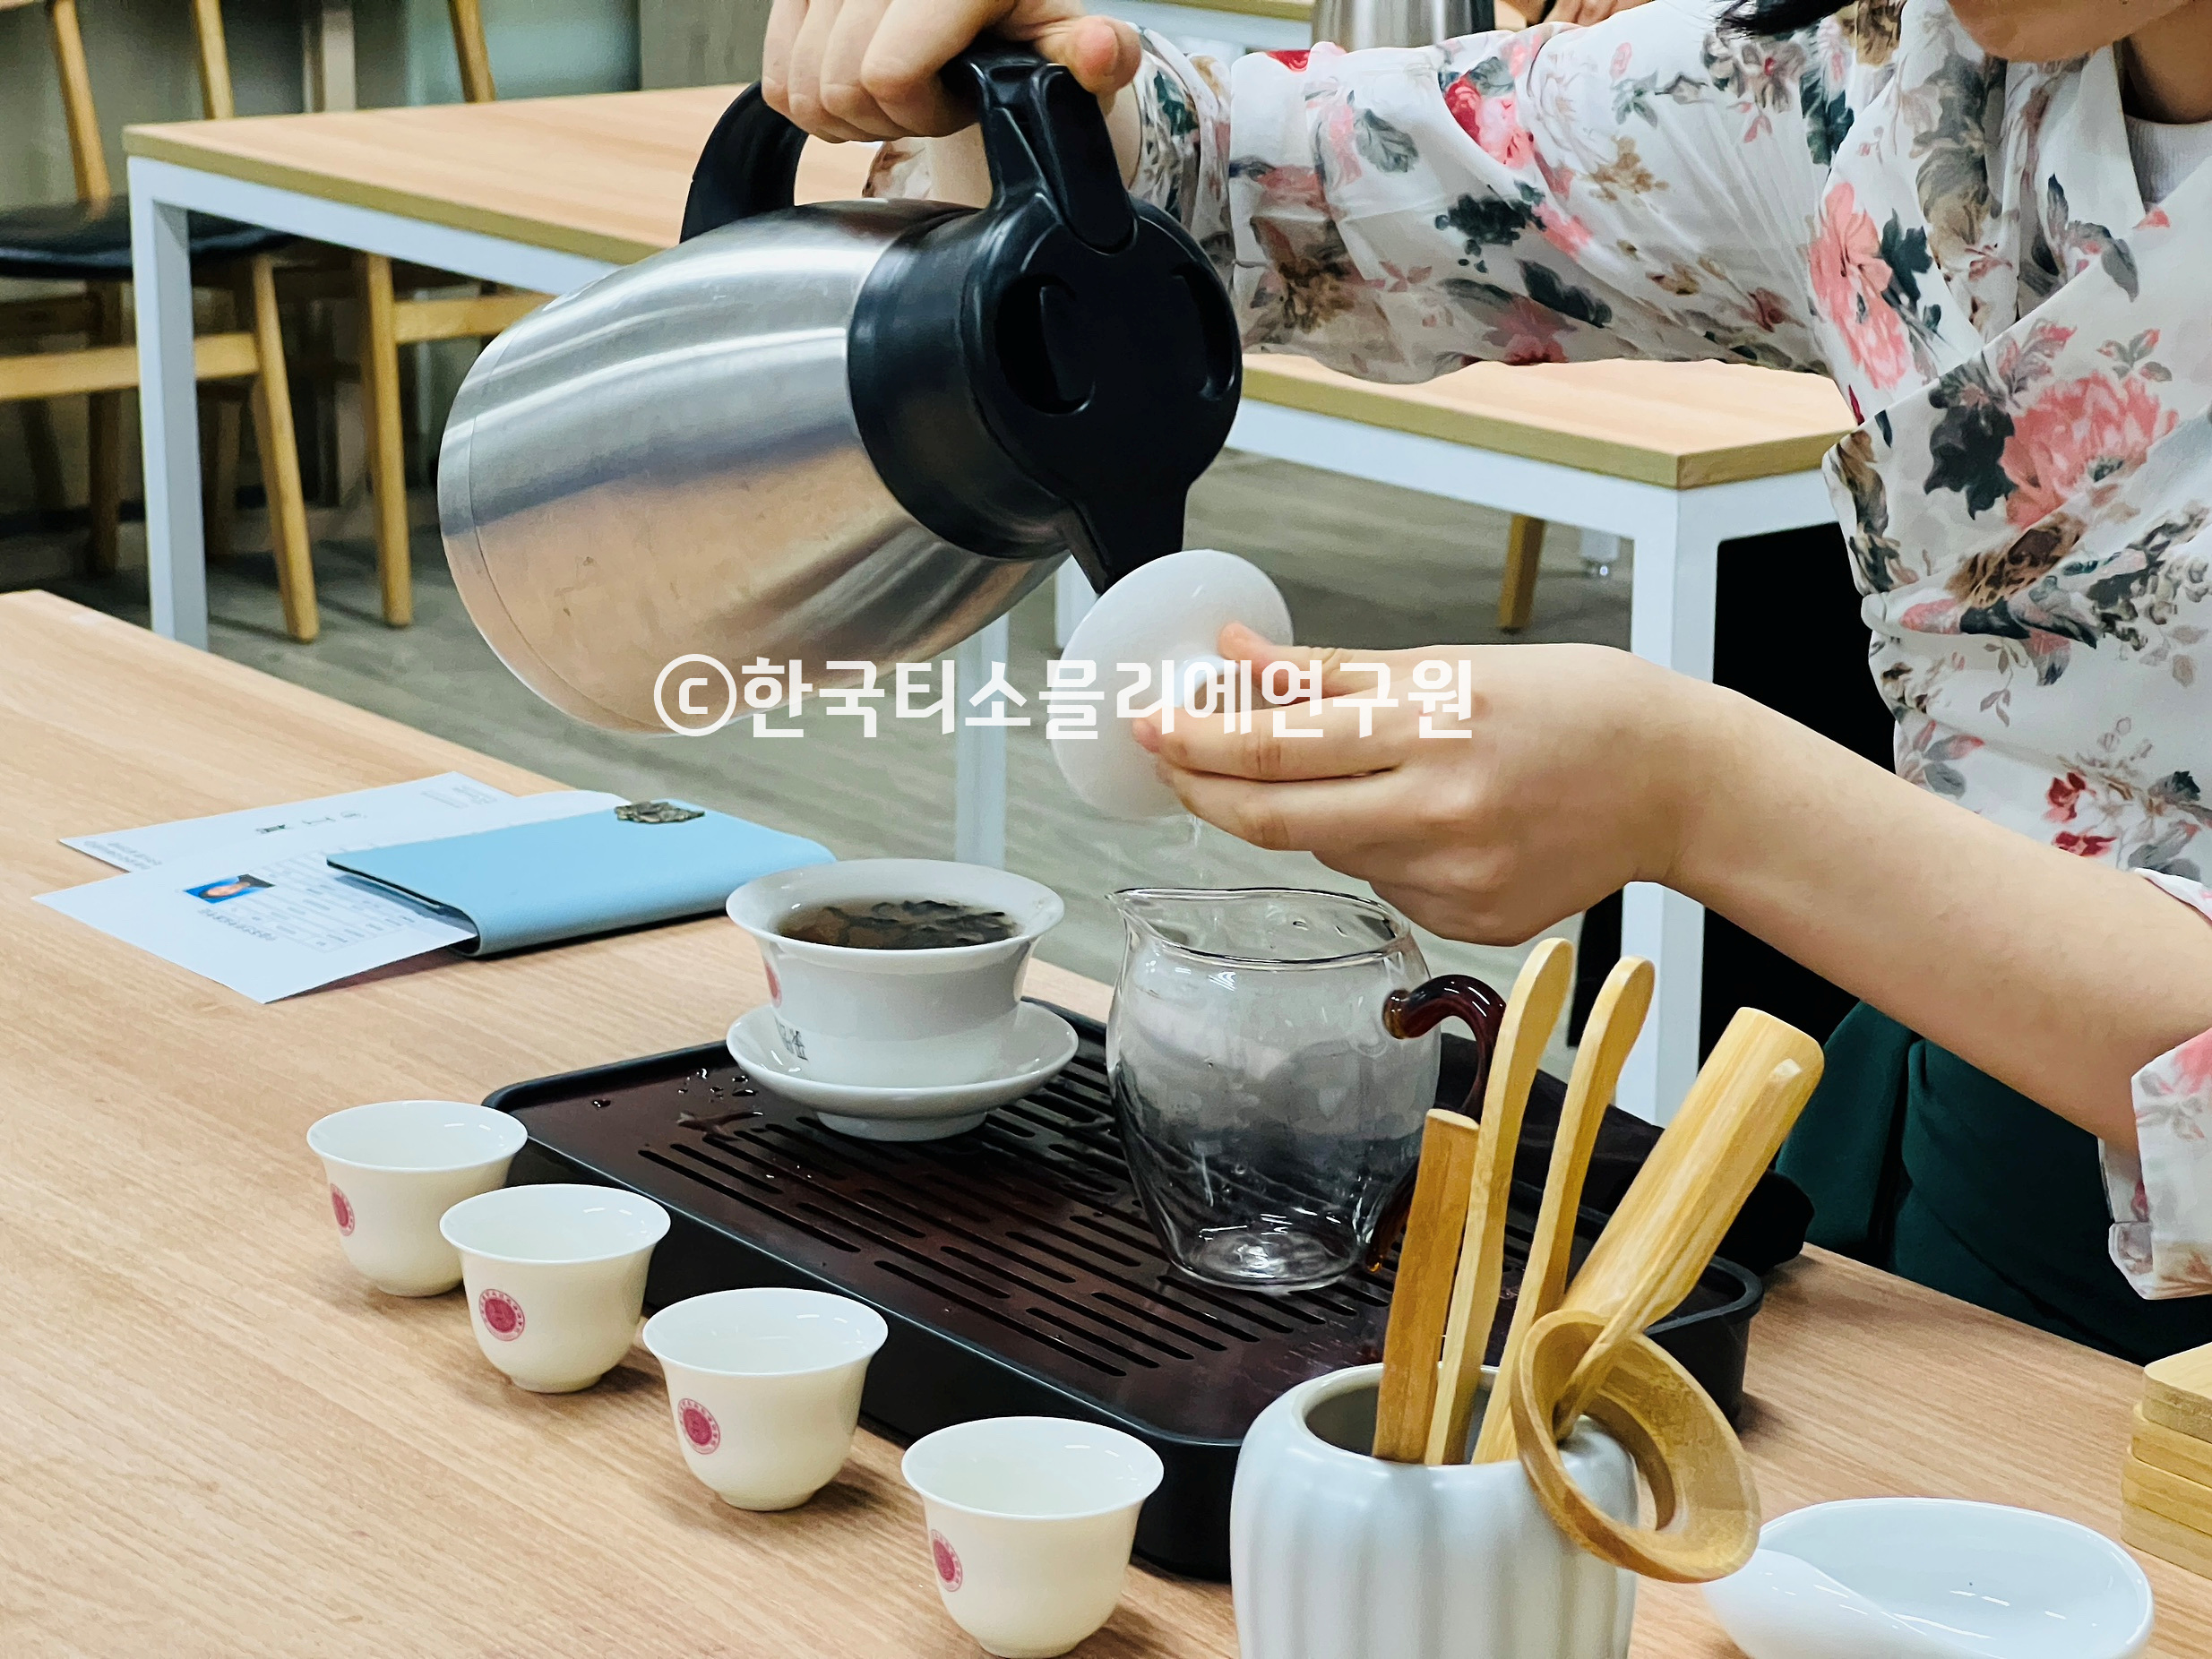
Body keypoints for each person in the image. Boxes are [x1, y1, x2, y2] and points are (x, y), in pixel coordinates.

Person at [764, 0, 2212, 1361]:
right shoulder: (1895, 83)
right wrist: (1013, 78)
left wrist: (1697, 797)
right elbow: (1269, 179)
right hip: (1973, 1196)